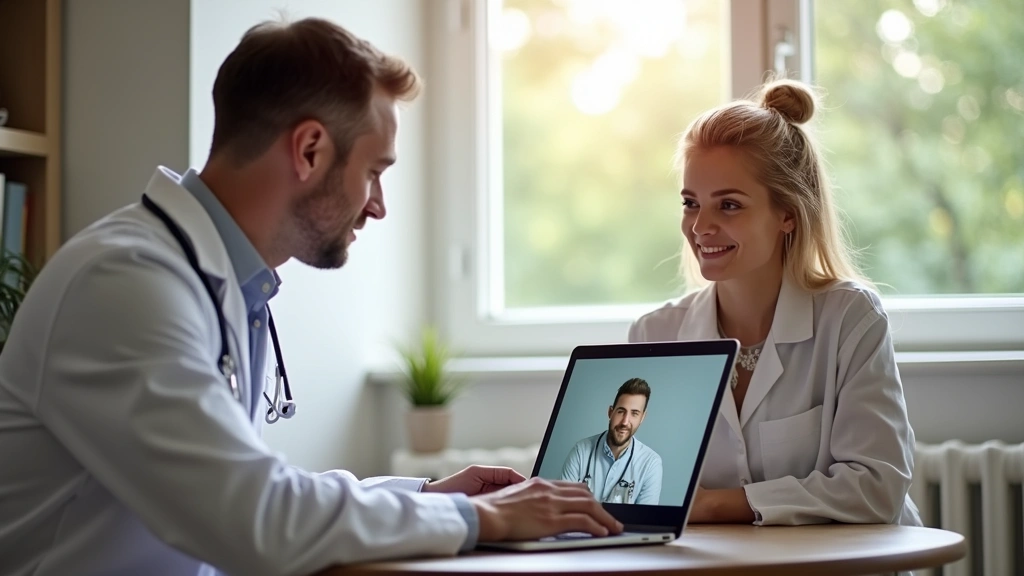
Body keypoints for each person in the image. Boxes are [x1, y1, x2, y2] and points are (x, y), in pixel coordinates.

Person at [0, 16, 621, 576]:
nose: (379, 205)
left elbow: (256, 487)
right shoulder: (126, 283)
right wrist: (484, 520)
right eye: (375, 172)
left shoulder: (216, 281)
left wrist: (430, 498)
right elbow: (253, 518)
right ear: (310, 150)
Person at [628, 78, 922, 528]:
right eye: (691, 203)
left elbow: (876, 487)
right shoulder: (655, 335)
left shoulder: (850, 318)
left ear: (787, 214)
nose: (700, 226)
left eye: (728, 205)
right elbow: (643, 489)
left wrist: (715, 505)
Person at [560, 378, 663, 505]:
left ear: (642, 417)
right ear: (610, 412)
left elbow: (645, 520)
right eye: (621, 411)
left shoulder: (650, 463)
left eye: (634, 413)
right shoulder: (581, 451)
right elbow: (563, 508)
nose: (625, 422)